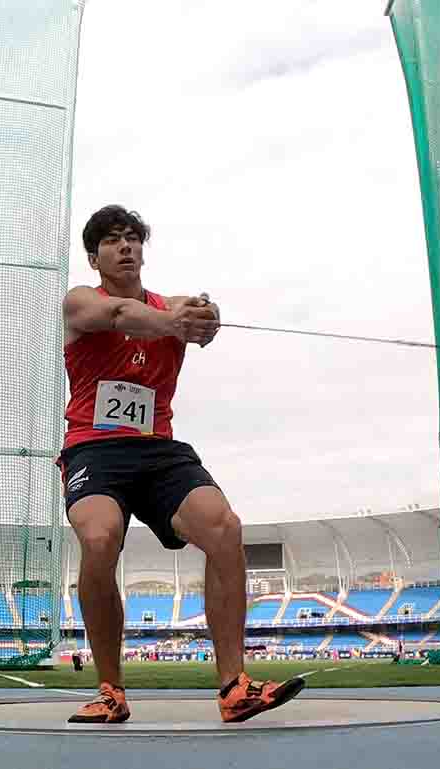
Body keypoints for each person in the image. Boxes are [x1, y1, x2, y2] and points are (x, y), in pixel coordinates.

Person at [58, 205, 305, 724]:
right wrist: (176, 321)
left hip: (158, 449)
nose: (125, 246)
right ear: (94, 256)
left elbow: (195, 318)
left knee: (224, 527)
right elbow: (123, 317)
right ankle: (110, 690)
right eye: (111, 240)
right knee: (100, 538)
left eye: (132, 239)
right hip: (95, 450)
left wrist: (204, 316)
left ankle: (234, 687)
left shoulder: (172, 307)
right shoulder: (81, 301)